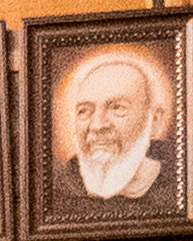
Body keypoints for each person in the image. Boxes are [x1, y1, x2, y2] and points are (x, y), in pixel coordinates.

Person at [51, 46, 172, 207]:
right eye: (84, 111)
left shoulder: (179, 184)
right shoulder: (58, 192)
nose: (98, 125)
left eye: (117, 108)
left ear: (154, 121)